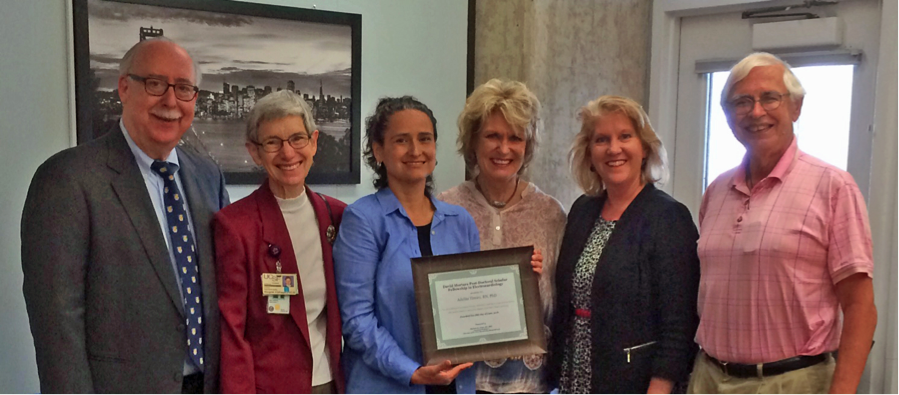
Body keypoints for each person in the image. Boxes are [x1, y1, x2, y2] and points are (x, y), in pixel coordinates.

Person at [21, 37, 229, 394]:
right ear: (124, 88)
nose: (170, 101)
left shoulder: (208, 176)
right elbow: (57, 323)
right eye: (154, 84)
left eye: (183, 88)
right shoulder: (68, 179)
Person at [687, 52, 877, 395]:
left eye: (769, 98)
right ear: (729, 117)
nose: (756, 111)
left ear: (796, 107)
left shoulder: (833, 187)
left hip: (793, 382)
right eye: (742, 102)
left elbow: (860, 306)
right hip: (709, 378)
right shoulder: (716, 191)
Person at [549, 95, 700, 395]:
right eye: (602, 139)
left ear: (644, 148)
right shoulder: (582, 210)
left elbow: (679, 324)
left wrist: (660, 388)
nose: (613, 148)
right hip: (573, 375)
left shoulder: (668, 218)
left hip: (634, 380)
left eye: (625, 136)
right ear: (589, 153)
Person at [333, 96, 479, 395]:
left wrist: (522, 278)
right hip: (387, 385)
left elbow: (474, 305)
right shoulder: (362, 219)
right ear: (378, 151)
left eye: (425, 139)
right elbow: (358, 321)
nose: (415, 150)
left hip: (455, 385)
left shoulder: (460, 221)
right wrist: (411, 372)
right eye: (401, 140)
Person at [437, 79, 566, 395]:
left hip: (531, 385)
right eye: (492, 136)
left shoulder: (551, 213)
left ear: (528, 144)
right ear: (473, 142)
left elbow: (563, 301)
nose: (504, 148)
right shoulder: (445, 207)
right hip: (461, 382)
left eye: (515, 138)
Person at [214, 90, 346, 395]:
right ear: (254, 152)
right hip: (269, 387)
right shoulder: (235, 226)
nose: (288, 154)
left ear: (314, 142)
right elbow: (232, 333)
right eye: (272, 143)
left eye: (297, 139)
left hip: (331, 382)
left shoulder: (338, 217)